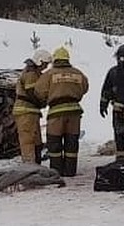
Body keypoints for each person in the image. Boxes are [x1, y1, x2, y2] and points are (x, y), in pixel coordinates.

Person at [34, 46, 89, 177]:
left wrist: (48, 96)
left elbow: (39, 91)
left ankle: (56, 171)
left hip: (56, 113)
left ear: (55, 60)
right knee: (71, 142)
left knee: (54, 142)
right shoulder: (78, 73)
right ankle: (70, 171)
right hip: (74, 113)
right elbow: (85, 87)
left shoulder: (49, 74)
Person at [12, 48, 51, 163]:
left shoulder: (34, 73)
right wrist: (42, 102)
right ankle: (29, 166)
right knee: (28, 141)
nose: (46, 67)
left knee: (36, 141)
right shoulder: (30, 74)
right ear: (39, 61)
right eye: (45, 64)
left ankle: (36, 164)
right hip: (25, 111)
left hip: (31, 112)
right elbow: (31, 93)